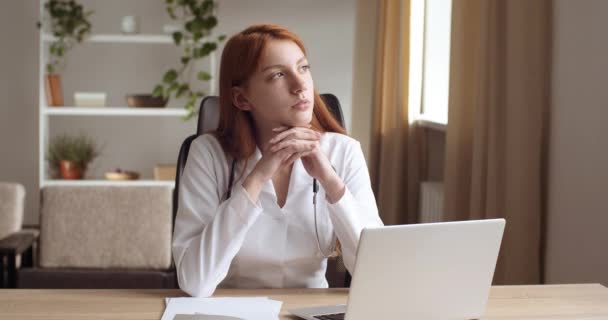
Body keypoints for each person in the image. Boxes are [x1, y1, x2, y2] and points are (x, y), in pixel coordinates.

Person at [172, 24, 384, 297]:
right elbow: (195, 281)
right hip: (228, 310)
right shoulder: (208, 154)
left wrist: (331, 181)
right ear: (241, 98)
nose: (300, 86)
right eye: (278, 75)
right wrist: (256, 179)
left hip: (309, 310)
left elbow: (375, 272)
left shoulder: (344, 151)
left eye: (303, 68)